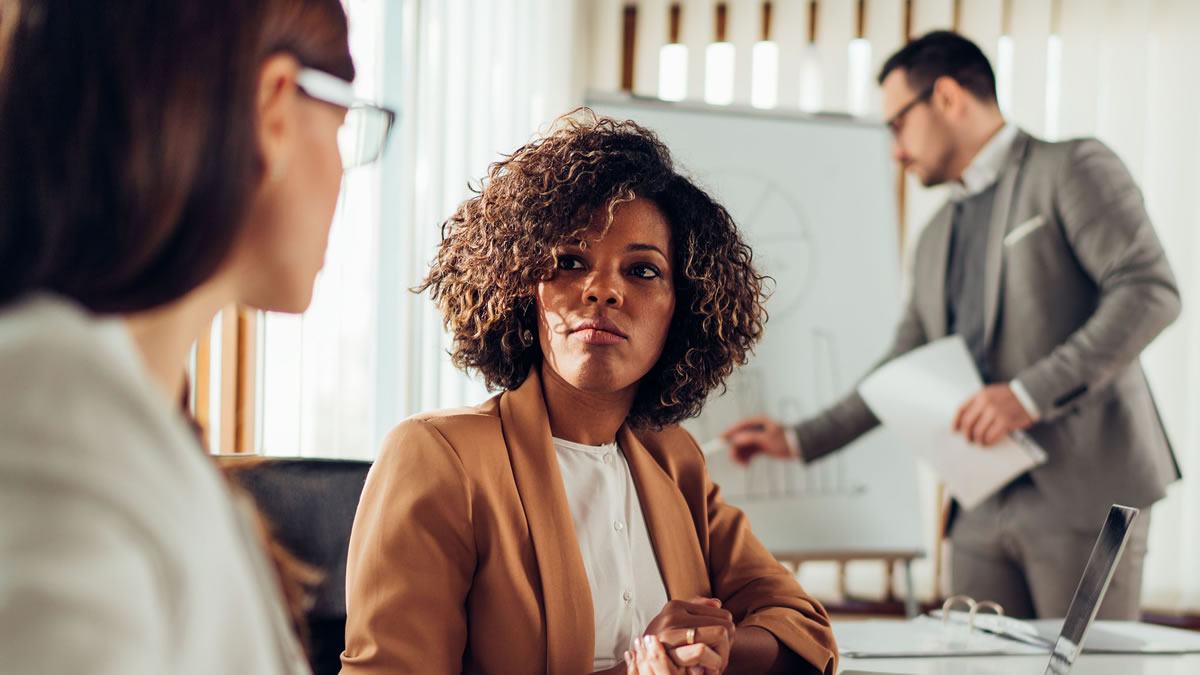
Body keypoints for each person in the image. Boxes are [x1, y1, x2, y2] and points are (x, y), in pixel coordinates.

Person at [341, 113, 837, 675]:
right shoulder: (439, 457)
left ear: (684, 307)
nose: (602, 290)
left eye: (643, 271)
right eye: (569, 262)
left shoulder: (671, 459)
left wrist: (715, 649)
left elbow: (802, 625)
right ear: (521, 285)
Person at [724, 30, 1180, 620]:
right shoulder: (936, 233)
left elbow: (1149, 292)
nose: (895, 149)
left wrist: (1026, 396)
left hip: (1082, 498)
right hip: (978, 507)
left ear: (946, 98)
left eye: (897, 125)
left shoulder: (1071, 167)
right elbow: (903, 362)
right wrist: (800, 438)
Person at [0, 1, 393, 672]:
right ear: (274, 108)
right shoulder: (55, 424)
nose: (342, 174)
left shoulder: (122, 417)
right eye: (343, 124)